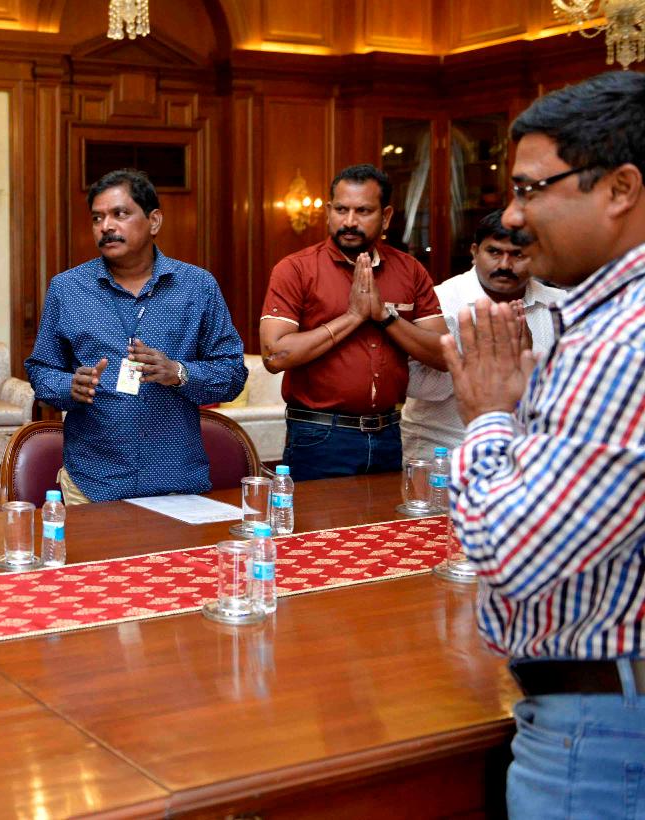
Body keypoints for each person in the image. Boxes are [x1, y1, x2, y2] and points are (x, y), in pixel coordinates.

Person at [444, 71, 645, 818]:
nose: (513, 216)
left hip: (603, 733)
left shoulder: (621, 342)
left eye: (532, 189)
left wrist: (490, 417)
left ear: (620, 188)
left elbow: (511, 554)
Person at [24, 168, 246, 504]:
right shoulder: (67, 289)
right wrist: (69, 386)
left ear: (154, 221)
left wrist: (179, 373)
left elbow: (232, 373)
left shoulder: (197, 287)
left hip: (175, 480)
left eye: (120, 214)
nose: (106, 226)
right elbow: (41, 370)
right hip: (91, 481)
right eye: (97, 218)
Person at [259, 164, 447, 481]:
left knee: (386, 516)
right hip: (320, 436)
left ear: (386, 216)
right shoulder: (296, 269)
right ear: (328, 211)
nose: (349, 221)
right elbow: (274, 356)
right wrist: (354, 316)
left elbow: (443, 354)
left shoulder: (410, 270)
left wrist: (384, 316)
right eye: (341, 210)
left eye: (363, 211)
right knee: (323, 518)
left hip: (389, 432)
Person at [400, 209, 565, 461]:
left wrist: (527, 363)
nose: (505, 265)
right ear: (475, 252)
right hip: (444, 449)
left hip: (531, 452)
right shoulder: (438, 302)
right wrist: (473, 359)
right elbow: (417, 387)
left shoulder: (562, 306)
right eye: (494, 252)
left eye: (518, 255)